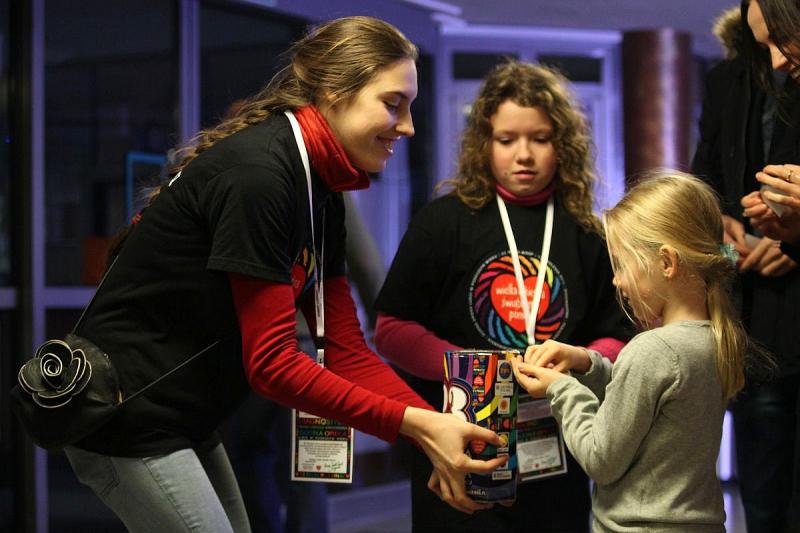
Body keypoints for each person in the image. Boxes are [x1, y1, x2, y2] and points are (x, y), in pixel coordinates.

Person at [59, 16, 506, 532]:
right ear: (335, 92)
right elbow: (271, 363)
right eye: (393, 103)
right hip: (125, 413)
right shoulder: (262, 175)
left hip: (183, 415)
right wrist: (421, 425)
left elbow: (343, 347)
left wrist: (431, 429)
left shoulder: (321, 186)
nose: (407, 126)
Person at [374, 61, 629, 532]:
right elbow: (392, 331)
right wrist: (475, 368)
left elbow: (617, 335)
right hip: (459, 444)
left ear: (563, 145)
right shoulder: (443, 221)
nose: (524, 155)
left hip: (558, 441)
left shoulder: (589, 232)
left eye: (541, 138)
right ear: (483, 144)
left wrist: (575, 359)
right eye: (507, 140)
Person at [512, 172, 747, 533]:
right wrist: (586, 364)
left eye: (621, 264)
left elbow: (600, 457)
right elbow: (650, 405)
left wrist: (562, 390)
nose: (616, 280)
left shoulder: (653, 349)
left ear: (666, 263)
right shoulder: (713, 338)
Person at [693, 3, 800, 531]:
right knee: (762, 487)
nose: (778, 60)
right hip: (756, 318)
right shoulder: (728, 80)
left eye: (784, 40)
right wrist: (721, 225)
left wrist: (795, 237)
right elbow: (705, 174)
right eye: (766, 44)